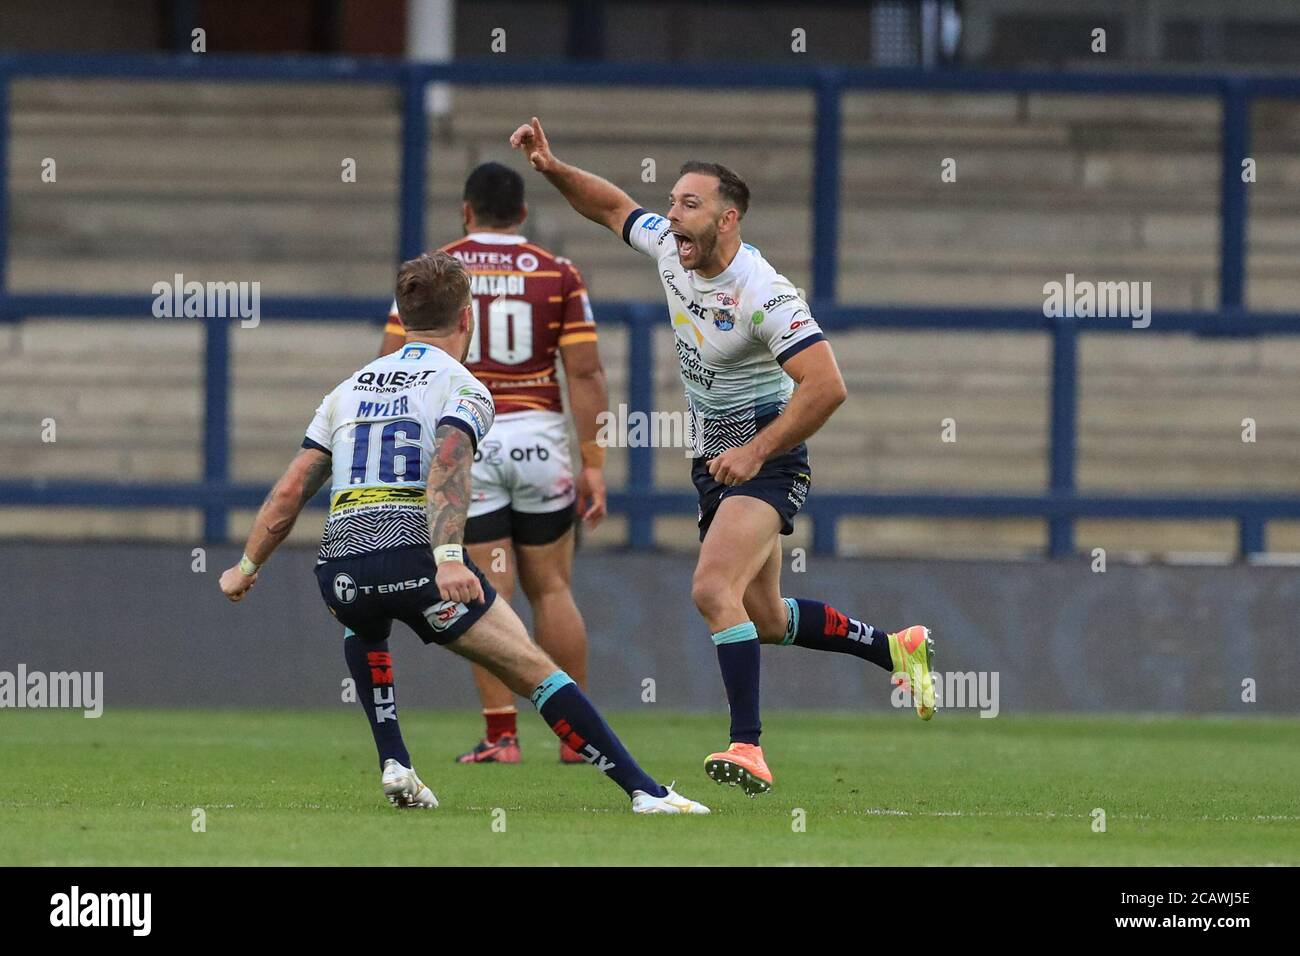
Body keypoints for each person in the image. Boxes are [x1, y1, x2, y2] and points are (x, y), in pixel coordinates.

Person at [509, 117, 936, 798]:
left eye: (688, 204)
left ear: (727, 219)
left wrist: (757, 449)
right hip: (716, 457)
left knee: (711, 589)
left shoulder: (764, 294)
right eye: (673, 203)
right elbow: (613, 207)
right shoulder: (673, 252)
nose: (671, 216)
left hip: (768, 454)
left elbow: (828, 387)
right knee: (763, 618)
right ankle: (894, 649)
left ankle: (749, 745)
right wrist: (550, 167)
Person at [218, 251, 708, 815]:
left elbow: (290, 490)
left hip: (340, 567)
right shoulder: (465, 387)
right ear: (467, 319)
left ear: (401, 319)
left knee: (366, 626)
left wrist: (247, 567)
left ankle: (396, 763)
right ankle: (645, 792)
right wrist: (450, 556)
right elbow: (448, 463)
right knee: (534, 668)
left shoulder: (346, 390)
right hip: (416, 557)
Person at [378, 162, 607, 765]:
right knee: (553, 587)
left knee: (484, 588)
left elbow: (391, 361)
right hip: (539, 442)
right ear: (523, 215)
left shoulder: (437, 270)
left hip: (468, 436)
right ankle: (577, 739)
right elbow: (585, 373)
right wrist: (594, 463)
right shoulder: (559, 273)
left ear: (465, 210)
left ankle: (502, 735)